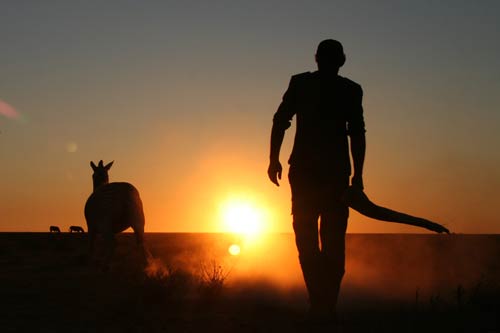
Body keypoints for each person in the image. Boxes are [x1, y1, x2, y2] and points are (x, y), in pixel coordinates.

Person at [267, 39, 366, 318]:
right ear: (342, 60)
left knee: (313, 242)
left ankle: (321, 306)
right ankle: (324, 306)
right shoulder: (347, 89)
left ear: (317, 58)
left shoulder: (306, 84)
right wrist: (358, 176)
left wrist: (273, 159)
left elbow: (279, 121)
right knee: (323, 242)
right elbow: (357, 134)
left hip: (317, 175)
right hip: (323, 175)